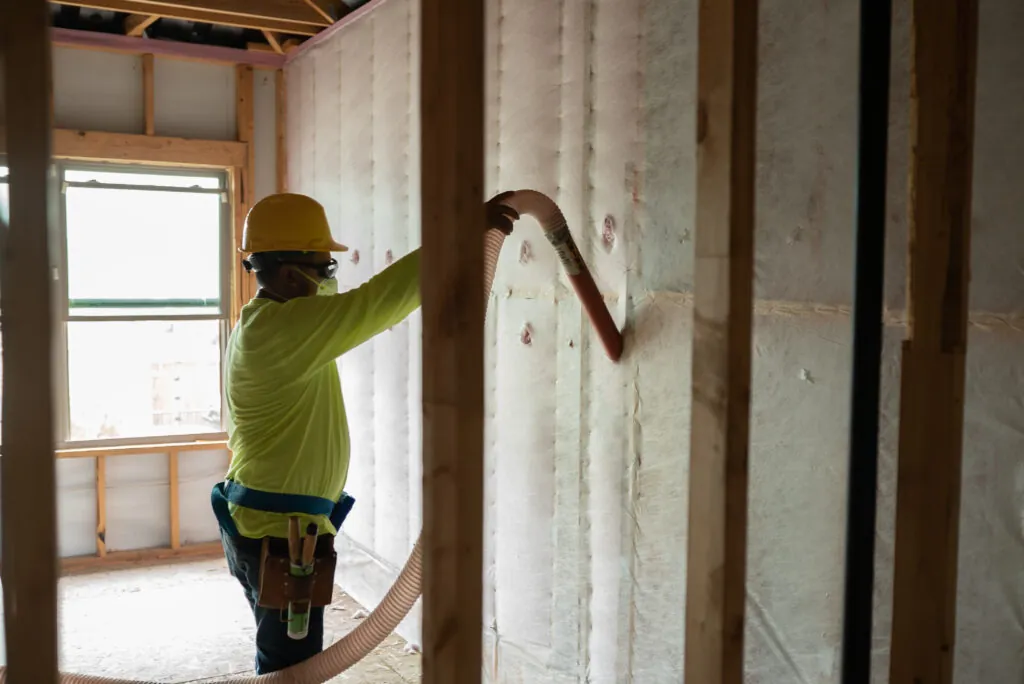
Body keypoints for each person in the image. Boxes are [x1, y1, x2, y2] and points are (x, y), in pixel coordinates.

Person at [211, 191, 519, 674]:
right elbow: (377, 303)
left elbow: (338, 302)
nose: (329, 278)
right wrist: (458, 239)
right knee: (290, 672)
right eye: (324, 268)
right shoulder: (286, 330)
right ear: (291, 275)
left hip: (268, 524)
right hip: (279, 536)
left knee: (285, 663)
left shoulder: (270, 322)